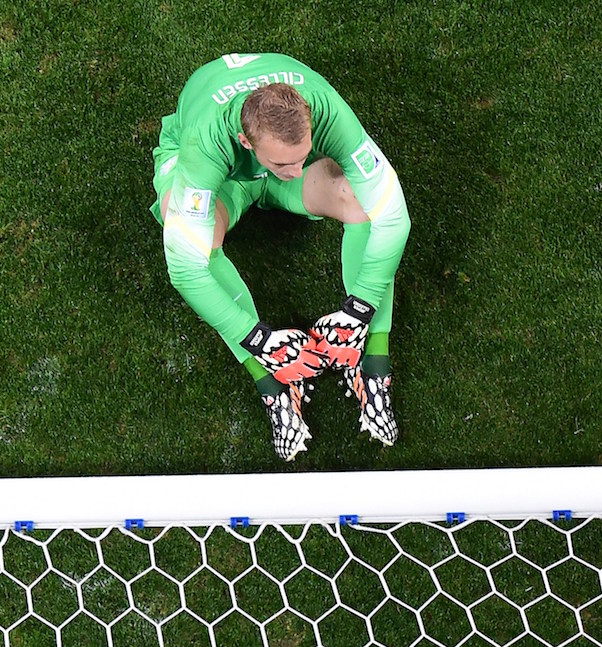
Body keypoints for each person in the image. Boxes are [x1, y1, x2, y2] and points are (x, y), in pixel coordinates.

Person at [151, 53, 410, 460]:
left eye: (304, 155)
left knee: (361, 200)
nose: (296, 168)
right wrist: (257, 339)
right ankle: (270, 383)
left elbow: (394, 217)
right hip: (226, 183)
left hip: (262, 169)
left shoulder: (324, 108)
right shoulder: (207, 142)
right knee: (187, 231)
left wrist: (361, 306)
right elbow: (185, 270)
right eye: (283, 162)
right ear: (245, 141)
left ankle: (373, 360)